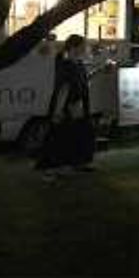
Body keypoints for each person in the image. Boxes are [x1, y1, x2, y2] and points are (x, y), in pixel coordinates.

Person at [37, 35, 98, 180]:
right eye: (83, 46)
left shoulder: (79, 64)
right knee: (58, 137)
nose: (85, 48)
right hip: (67, 107)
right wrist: (58, 111)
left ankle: (78, 163)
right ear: (74, 47)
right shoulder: (64, 64)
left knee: (81, 134)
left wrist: (100, 71)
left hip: (79, 106)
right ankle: (49, 170)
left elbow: (83, 80)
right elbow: (63, 88)